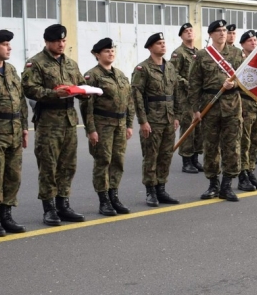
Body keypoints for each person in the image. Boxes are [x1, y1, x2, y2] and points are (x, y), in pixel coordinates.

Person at [22, 24, 87, 225]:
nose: (61, 44)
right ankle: (49, 208)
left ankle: (63, 204)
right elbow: (29, 89)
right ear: (47, 42)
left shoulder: (71, 64)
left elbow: (79, 83)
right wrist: (53, 94)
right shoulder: (36, 63)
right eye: (57, 41)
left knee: (67, 166)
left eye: (63, 40)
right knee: (48, 166)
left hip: (69, 122)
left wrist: (86, 92)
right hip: (48, 122)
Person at [188, 20, 243, 200]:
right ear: (210, 34)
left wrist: (234, 83)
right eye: (218, 31)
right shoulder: (203, 55)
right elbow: (194, 84)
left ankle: (227, 185)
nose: (222, 33)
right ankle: (213, 184)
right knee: (210, 146)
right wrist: (195, 109)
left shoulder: (236, 54)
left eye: (224, 30)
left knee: (232, 146)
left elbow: (246, 79)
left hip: (232, 105)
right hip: (209, 106)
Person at [82, 38, 135, 216]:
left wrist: (129, 124)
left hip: (120, 124)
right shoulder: (92, 76)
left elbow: (129, 101)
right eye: (106, 51)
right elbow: (87, 106)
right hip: (102, 124)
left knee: (118, 161)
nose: (111, 53)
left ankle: (114, 195)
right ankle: (103, 200)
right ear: (97, 55)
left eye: (112, 50)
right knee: (103, 161)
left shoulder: (120, 74)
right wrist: (91, 130)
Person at [0, 29, 28, 237]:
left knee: (13, 175)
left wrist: (25, 128)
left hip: (14, 131)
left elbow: (21, 101)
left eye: (9, 44)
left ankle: (6, 214)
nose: (9, 47)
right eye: (4, 44)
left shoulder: (11, 70)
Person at [131, 32, 181, 206]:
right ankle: (150, 191)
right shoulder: (142, 69)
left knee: (166, 155)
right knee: (151, 156)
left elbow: (175, 93)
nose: (163, 45)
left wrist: (176, 116)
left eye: (164, 42)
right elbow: (137, 94)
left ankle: (161, 188)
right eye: (159, 43)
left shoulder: (170, 67)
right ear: (150, 47)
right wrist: (143, 121)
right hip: (152, 119)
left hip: (168, 119)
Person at [170, 22, 203, 173]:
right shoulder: (179, 53)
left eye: (191, 30)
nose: (189, 32)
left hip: (198, 97)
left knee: (198, 128)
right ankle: (186, 160)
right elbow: (173, 74)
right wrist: (186, 83)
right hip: (185, 98)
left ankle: (195, 158)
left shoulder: (198, 52)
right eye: (186, 31)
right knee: (188, 128)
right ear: (181, 36)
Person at [237, 31, 257, 192]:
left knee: (256, 141)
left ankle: (250, 170)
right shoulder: (238, 60)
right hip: (244, 104)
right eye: (249, 40)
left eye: (255, 40)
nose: (253, 43)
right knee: (244, 142)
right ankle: (242, 175)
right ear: (242, 44)